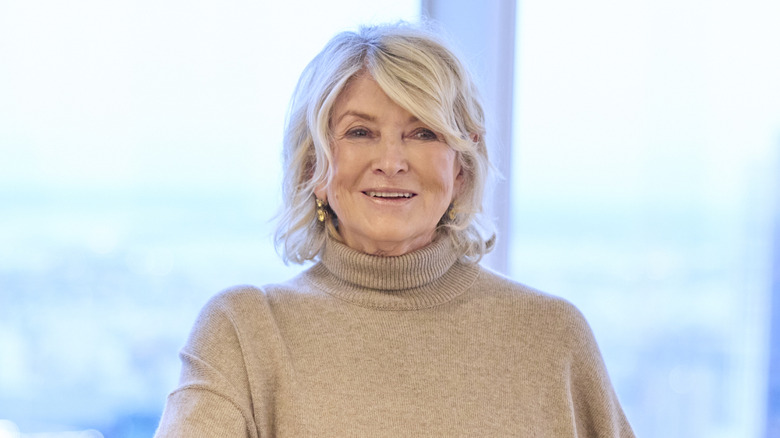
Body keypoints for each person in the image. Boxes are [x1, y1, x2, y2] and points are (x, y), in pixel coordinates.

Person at [154, 22, 635, 437]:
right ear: (312, 169)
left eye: (423, 132)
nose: (390, 162)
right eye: (359, 132)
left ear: (461, 169)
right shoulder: (243, 333)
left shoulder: (550, 338)